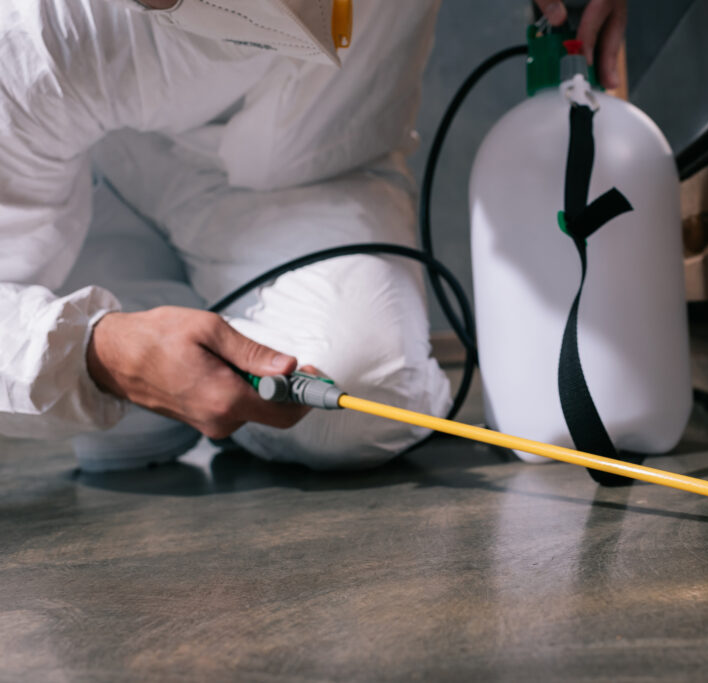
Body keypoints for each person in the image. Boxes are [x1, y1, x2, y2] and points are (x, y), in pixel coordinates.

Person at [0, 0, 626, 472]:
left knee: (352, 403)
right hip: (82, 186)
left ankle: (194, 357)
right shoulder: (32, 32)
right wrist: (100, 352)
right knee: (119, 431)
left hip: (312, 173)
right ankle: (153, 347)